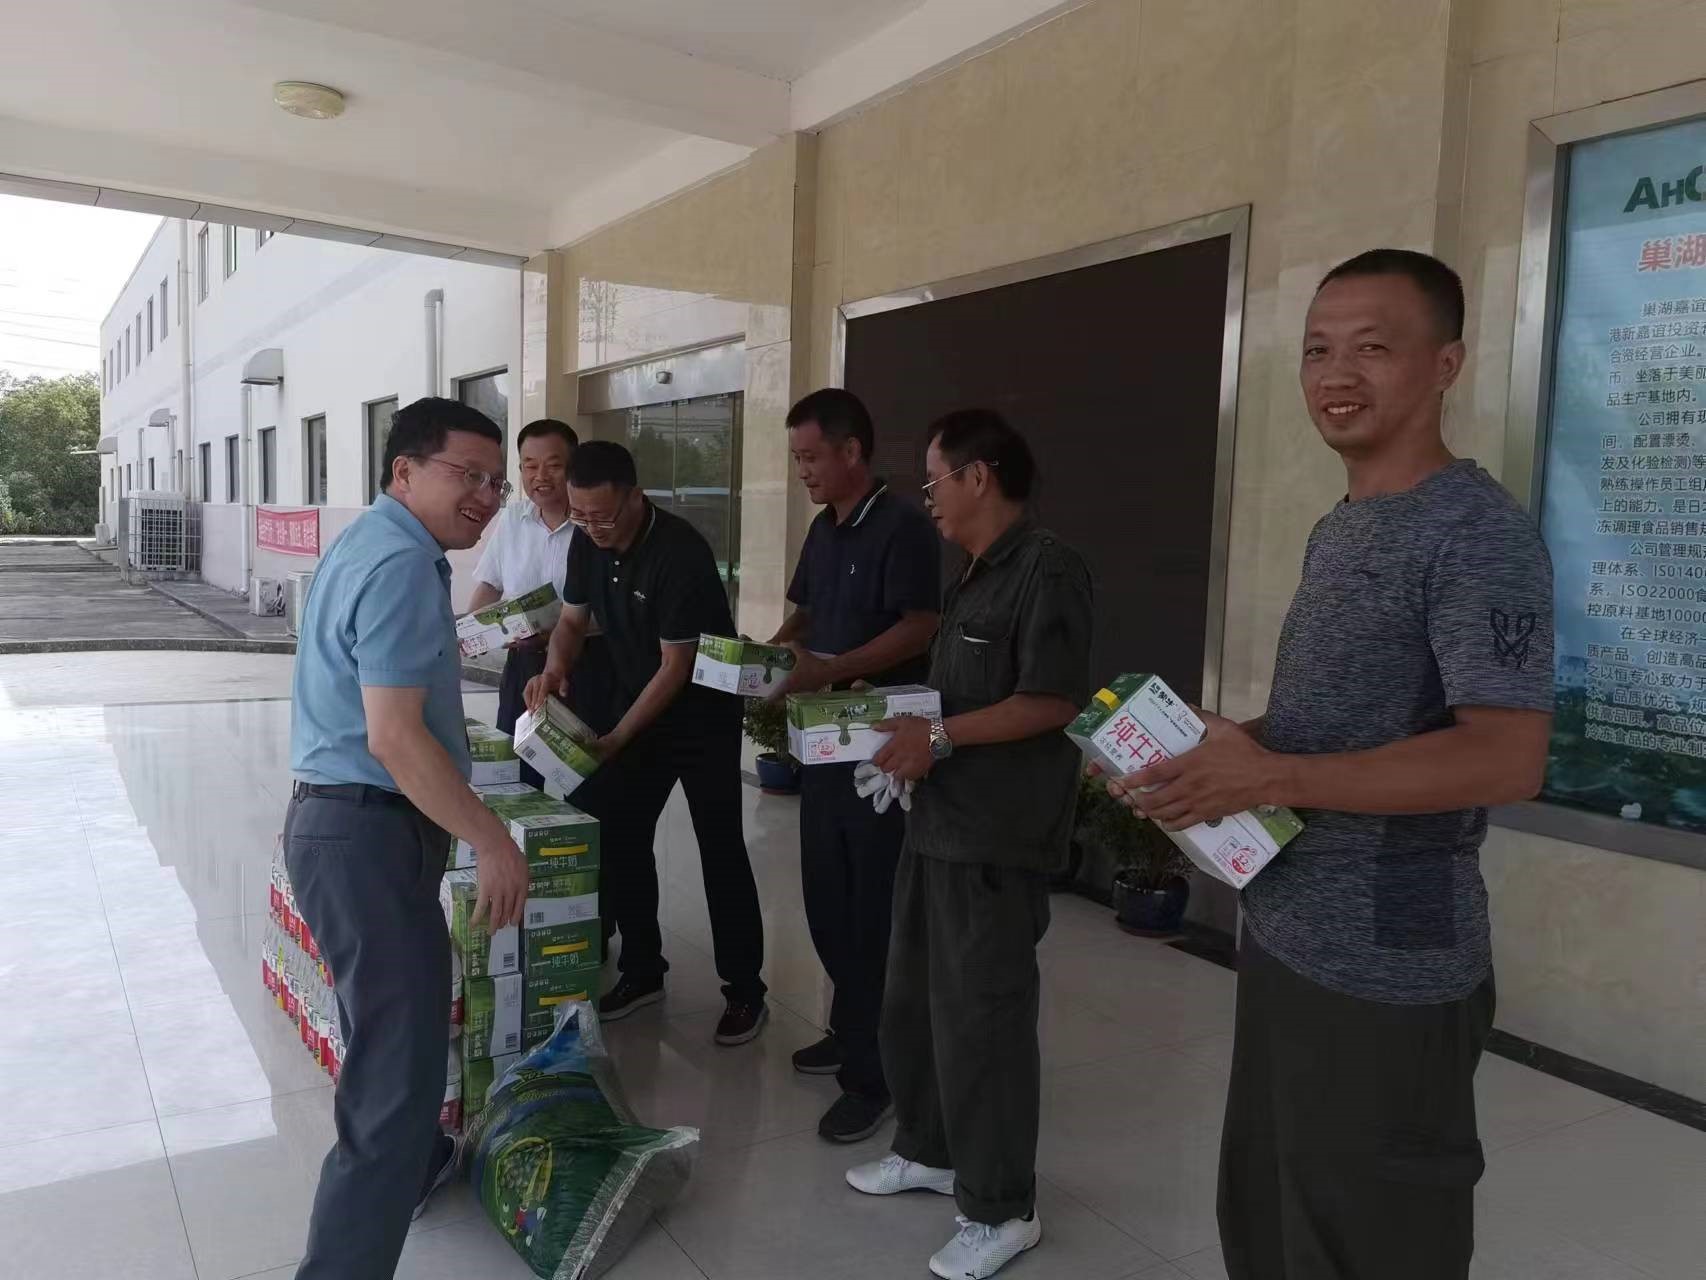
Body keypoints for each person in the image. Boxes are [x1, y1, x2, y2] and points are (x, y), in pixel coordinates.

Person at [1110, 249, 1554, 1280]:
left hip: (1391, 961)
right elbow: (1336, 724)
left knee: (1372, 1238)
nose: (1335, 374)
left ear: (1444, 364)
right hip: (1290, 927)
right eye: (1317, 349)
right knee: (1270, 1219)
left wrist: (1269, 778)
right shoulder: (1343, 524)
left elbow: (1507, 755)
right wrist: (1228, 747)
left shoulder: (1476, 533)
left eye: (1372, 347)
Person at [286, 397, 531, 1280]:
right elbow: (394, 737)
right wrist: (493, 841)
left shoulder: (375, 542)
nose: (487, 497)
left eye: (496, 483)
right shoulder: (397, 563)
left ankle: (420, 1164)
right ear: (405, 470)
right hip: (367, 836)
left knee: (389, 1046)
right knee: (395, 1088)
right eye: (468, 475)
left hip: (349, 829)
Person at [845, 410, 1092, 1280]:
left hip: (997, 836)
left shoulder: (1047, 570)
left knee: (983, 1023)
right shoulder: (974, 574)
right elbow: (957, 694)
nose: (929, 499)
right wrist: (899, 725)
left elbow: (1052, 700)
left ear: (978, 476)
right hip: (938, 824)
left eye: (933, 481)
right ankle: (930, 1149)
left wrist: (940, 737)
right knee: (913, 1004)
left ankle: (1001, 1207)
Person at [524, 441, 768, 1044]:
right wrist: (554, 668)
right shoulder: (587, 539)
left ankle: (744, 990)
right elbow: (573, 620)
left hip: (702, 718)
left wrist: (615, 738)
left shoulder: (680, 554)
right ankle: (642, 968)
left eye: (603, 516)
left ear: (637, 497)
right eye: (581, 516)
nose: (592, 528)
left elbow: (675, 667)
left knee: (719, 847)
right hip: (640, 706)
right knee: (621, 832)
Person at [769, 388, 941, 1143]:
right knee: (827, 894)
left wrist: (833, 669)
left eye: (812, 457)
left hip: (880, 748)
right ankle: (849, 1028)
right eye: (796, 458)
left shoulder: (903, 526)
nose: (803, 471)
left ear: (851, 451)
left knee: (873, 910)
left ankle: (876, 1077)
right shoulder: (824, 528)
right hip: (823, 744)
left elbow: (920, 626)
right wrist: (772, 656)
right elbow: (806, 612)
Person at [465, 418, 618, 774]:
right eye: (530, 466)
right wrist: (470, 631)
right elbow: (490, 584)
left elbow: (610, 606)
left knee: (582, 772)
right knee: (515, 770)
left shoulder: (594, 526)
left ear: (574, 468)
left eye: (553, 465)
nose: (540, 477)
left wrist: (554, 635)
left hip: (586, 663)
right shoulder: (513, 520)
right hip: (522, 663)